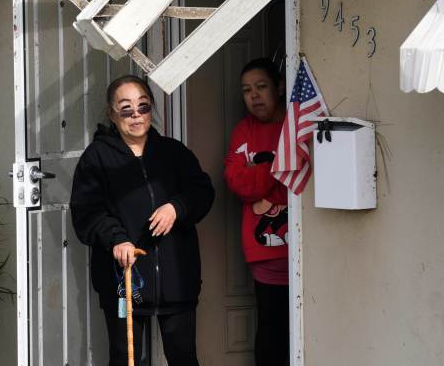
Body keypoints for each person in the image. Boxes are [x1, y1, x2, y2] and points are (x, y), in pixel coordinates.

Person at [71, 74, 214, 366]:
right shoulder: (96, 157)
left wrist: (176, 207)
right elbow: (87, 212)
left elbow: (202, 191)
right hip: (124, 282)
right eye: (126, 108)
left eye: (143, 106)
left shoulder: (173, 152)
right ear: (112, 113)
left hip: (177, 279)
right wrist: (117, 238)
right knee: (127, 359)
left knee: (184, 358)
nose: (136, 114)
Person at [224, 58, 290, 366]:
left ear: (278, 87)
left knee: (303, 330)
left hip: (304, 249)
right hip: (264, 251)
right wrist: (276, 168)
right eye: (247, 90)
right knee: (271, 331)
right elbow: (240, 185)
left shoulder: (294, 125)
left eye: (262, 87)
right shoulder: (243, 131)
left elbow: (304, 176)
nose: (254, 96)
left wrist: (257, 169)